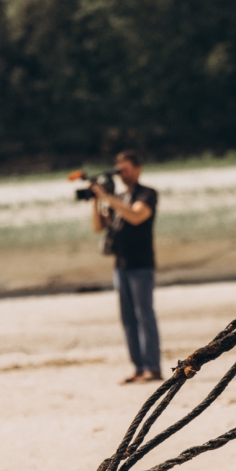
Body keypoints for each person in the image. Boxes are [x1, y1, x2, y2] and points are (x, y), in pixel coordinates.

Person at [90, 151, 162, 383]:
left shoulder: (147, 194)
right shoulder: (118, 197)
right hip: (120, 265)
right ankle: (138, 367)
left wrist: (109, 199)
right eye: (119, 170)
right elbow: (98, 226)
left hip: (141, 264)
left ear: (138, 168)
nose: (122, 174)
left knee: (145, 316)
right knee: (128, 319)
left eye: (126, 169)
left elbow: (136, 216)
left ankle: (152, 366)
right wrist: (96, 200)